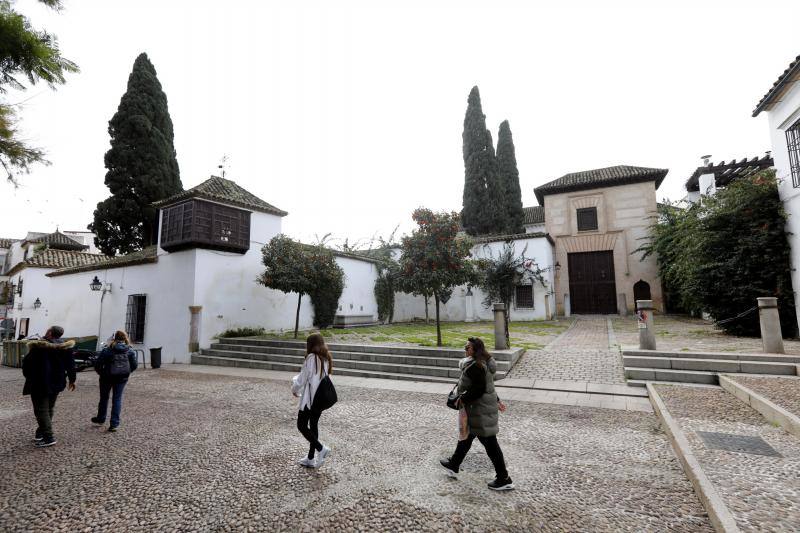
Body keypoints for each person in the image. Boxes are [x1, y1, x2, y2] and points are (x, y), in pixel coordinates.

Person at [440, 337, 514, 491]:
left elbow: (479, 390)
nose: (465, 349)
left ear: (476, 350)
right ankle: (454, 464)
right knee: (466, 437)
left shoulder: (476, 366)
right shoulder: (482, 362)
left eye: (468, 347)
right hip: (479, 409)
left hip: (479, 411)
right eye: (465, 347)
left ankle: (504, 478)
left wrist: (461, 400)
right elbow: (488, 386)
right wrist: (497, 400)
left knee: (491, 445)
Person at [22, 326, 76, 448]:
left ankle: (48, 437)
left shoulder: (39, 347)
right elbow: (71, 365)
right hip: (57, 381)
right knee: (49, 408)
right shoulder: (65, 347)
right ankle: (40, 433)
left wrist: (29, 377)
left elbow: (27, 365)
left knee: (41, 410)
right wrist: (72, 380)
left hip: (40, 382)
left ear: (50, 332)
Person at [291, 333, 333, 468]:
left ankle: (321, 449)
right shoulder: (325, 358)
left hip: (310, 400)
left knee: (301, 425)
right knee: (313, 425)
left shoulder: (311, 358)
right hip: (321, 399)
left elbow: (302, 379)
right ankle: (310, 458)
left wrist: (294, 389)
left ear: (310, 345)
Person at [91, 330, 137, 432]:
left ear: (114, 338)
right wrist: (126, 372)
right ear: (125, 338)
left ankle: (101, 418)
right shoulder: (129, 350)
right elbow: (134, 365)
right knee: (117, 399)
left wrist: (101, 373)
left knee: (104, 398)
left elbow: (98, 364)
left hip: (106, 377)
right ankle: (114, 424)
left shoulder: (107, 350)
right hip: (122, 378)